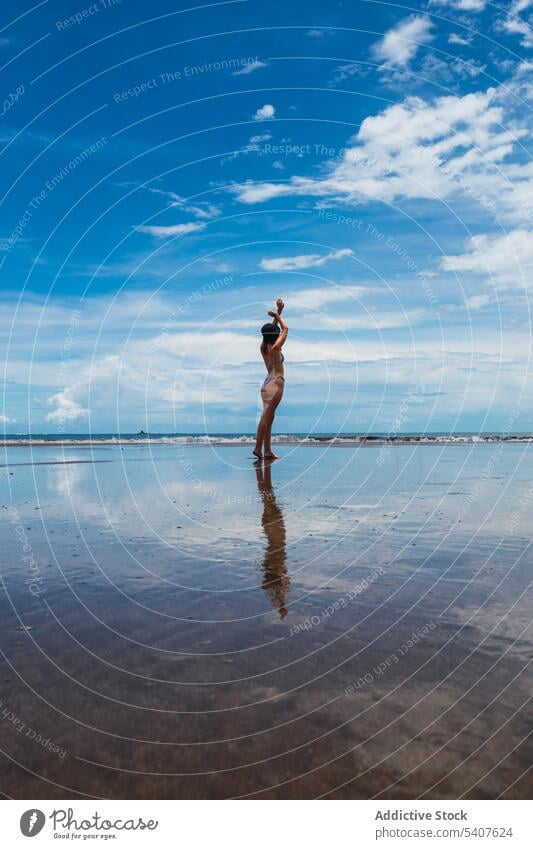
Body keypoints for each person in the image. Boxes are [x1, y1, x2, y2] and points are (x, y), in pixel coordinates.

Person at [253, 299, 288, 460]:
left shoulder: (264, 346)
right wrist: (277, 316)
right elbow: (285, 328)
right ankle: (257, 448)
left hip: (267, 383)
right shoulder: (275, 348)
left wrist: (278, 311)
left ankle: (267, 450)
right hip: (276, 382)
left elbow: (272, 330)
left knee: (269, 417)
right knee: (266, 417)